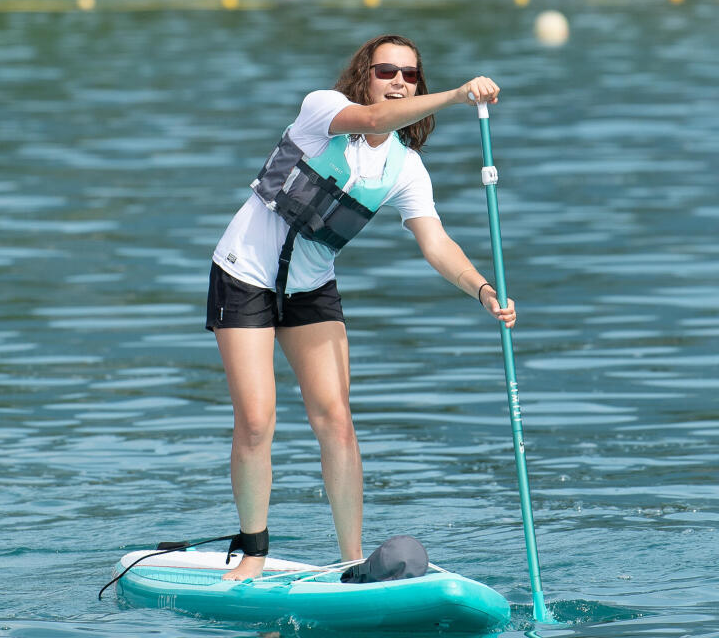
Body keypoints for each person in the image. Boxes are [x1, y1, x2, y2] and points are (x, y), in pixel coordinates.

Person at [207, 34, 513, 581]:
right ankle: (252, 551)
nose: (398, 81)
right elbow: (371, 120)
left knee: (337, 420)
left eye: (410, 75)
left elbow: (436, 244)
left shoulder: (405, 169)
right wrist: (457, 95)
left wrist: (482, 289)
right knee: (256, 422)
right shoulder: (322, 110)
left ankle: (352, 562)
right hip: (243, 275)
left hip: (310, 287)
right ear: (363, 77)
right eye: (386, 71)